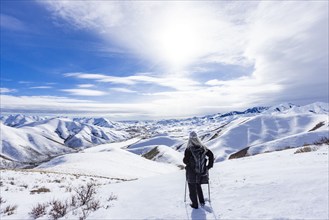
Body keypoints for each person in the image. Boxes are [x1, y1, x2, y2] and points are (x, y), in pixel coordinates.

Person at [183, 131, 214, 209]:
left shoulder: (188, 149)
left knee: (192, 187)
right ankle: (202, 201)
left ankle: (195, 204)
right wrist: (209, 166)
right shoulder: (203, 148)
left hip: (191, 171)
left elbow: (185, 161)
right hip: (201, 170)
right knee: (198, 185)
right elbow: (211, 155)